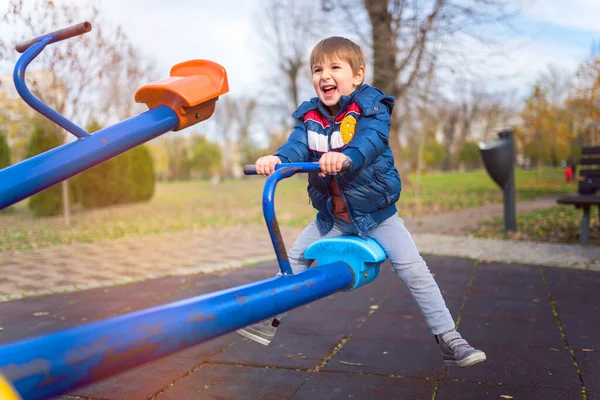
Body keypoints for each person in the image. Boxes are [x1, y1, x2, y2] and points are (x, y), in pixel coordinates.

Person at [236, 36, 486, 368]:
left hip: (376, 215)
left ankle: (449, 337)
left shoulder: (371, 106)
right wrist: (276, 159)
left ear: (357, 75)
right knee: (293, 259)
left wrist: (346, 157)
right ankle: (267, 319)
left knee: (414, 269)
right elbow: (296, 146)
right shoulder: (310, 116)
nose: (325, 75)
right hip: (333, 218)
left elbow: (371, 139)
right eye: (317, 69)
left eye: (334, 67)